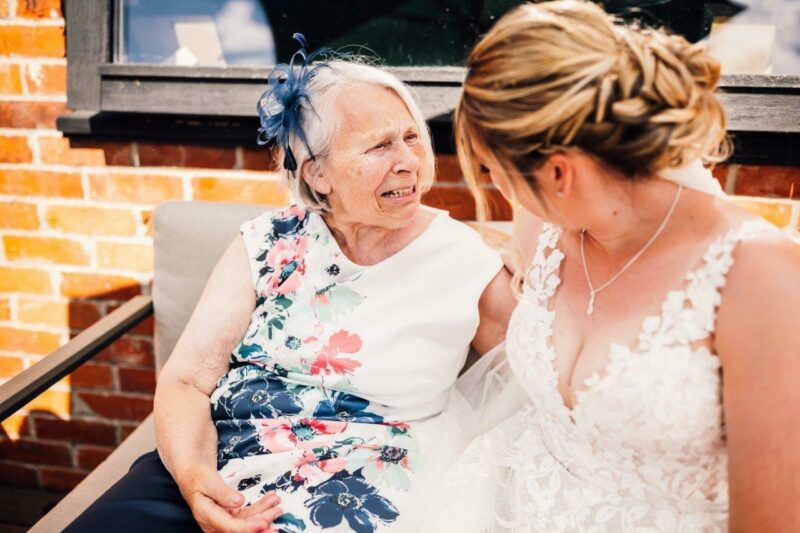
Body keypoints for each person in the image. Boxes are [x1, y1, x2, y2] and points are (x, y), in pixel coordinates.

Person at [66, 40, 515, 533]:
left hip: (356, 490)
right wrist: (196, 481)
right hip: (219, 464)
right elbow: (187, 380)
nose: (409, 160)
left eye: (412, 137)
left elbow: (541, 377)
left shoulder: (464, 260)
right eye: (380, 145)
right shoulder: (268, 242)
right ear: (317, 174)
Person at [431, 2, 800, 531]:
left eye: (496, 173)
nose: (497, 189)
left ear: (560, 173)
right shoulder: (546, 225)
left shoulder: (760, 280)